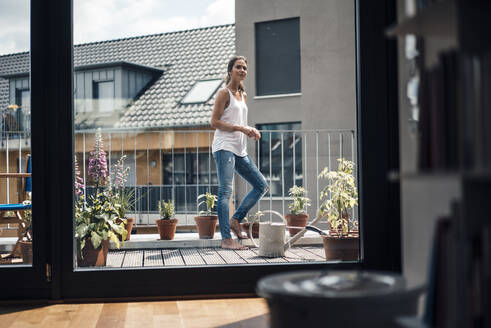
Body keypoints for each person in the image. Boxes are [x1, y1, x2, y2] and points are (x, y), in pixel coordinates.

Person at [210, 56, 268, 250]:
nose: (242, 70)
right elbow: (214, 122)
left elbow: (240, 120)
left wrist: (250, 130)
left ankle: (236, 220)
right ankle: (226, 239)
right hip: (224, 147)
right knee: (226, 192)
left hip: (240, 149)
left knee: (261, 185)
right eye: (238, 67)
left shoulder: (242, 94)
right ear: (230, 71)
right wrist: (241, 129)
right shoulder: (223, 93)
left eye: (244, 67)